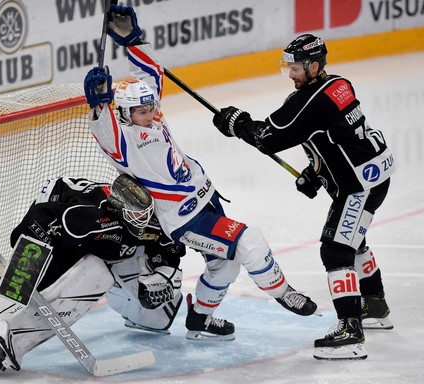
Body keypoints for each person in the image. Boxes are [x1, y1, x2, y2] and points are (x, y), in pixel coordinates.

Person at [83, 5, 319, 342]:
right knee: (248, 240)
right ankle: (284, 293)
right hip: (184, 219)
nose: (150, 114)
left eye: (151, 107)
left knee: (226, 265)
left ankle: (200, 320)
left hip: (205, 199)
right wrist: (97, 103)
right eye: (140, 110)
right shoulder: (123, 141)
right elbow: (102, 128)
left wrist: (133, 41)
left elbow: (153, 74)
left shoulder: (152, 117)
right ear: (123, 113)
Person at [212, 34, 395, 360]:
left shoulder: (311, 102)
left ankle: (351, 332)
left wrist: (236, 123)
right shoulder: (339, 84)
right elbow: (333, 137)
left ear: (313, 65)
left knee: (336, 248)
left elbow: (269, 138)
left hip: (359, 187)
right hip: (373, 175)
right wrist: (317, 171)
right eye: (288, 67)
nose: (291, 74)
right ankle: (375, 302)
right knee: (351, 238)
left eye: (295, 67)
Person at [0, 175, 185, 378]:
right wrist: (30, 263)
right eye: (137, 216)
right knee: (89, 280)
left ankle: (139, 315)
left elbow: (170, 251)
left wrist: (164, 276)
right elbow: (39, 217)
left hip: (110, 246)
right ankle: (3, 342)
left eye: (145, 215)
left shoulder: (153, 221)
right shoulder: (84, 219)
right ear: (119, 209)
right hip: (65, 231)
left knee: (159, 317)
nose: (143, 221)